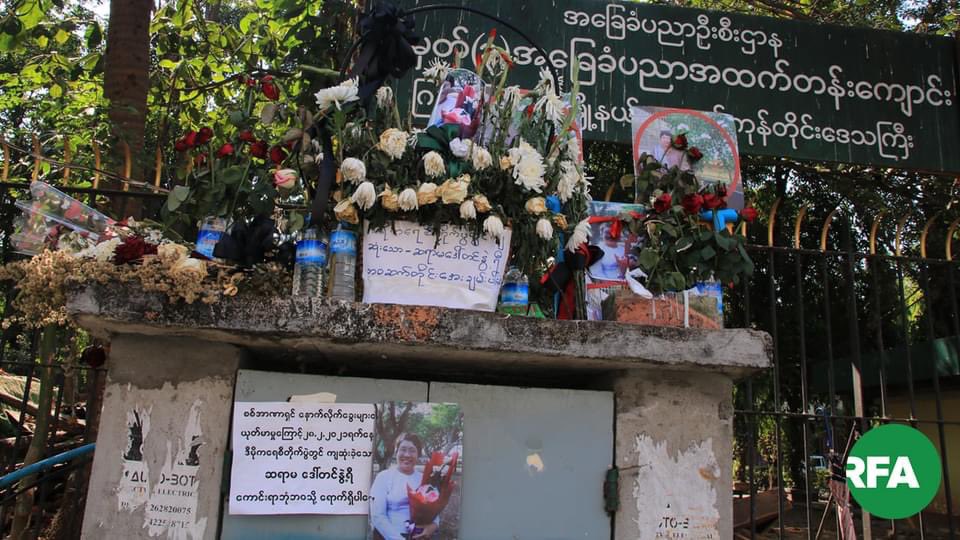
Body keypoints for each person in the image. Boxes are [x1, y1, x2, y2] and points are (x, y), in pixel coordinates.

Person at [370, 433, 439, 540]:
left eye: (412, 450)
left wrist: (433, 526)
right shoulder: (383, 477)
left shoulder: (424, 478)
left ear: (418, 454)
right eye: (403, 449)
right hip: (388, 537)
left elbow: (434, 510)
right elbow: (377, 516)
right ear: (396, 452)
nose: (407, 455)